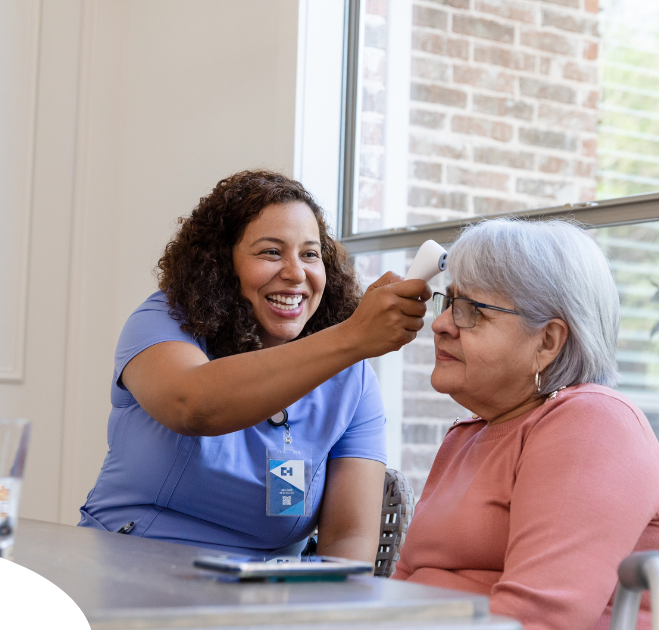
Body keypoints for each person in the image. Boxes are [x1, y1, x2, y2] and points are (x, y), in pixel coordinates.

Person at [78, 170, 430, 562]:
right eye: (270, 252)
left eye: (310, 254)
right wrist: (352, 337)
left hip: (262, 603)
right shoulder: (164, 321)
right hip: (128, 577)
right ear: (221, 264)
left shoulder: (352, 380)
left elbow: (348, 544)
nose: (296, 273)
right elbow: (194, 405)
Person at [391, 219, 659, 630]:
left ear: (547, 342)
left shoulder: (591, 424)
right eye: (448, 304)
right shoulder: (465, 437)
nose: (441, 324)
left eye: (470, 312)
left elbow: (535, 620)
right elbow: (398, 592)